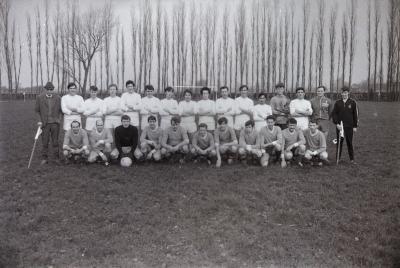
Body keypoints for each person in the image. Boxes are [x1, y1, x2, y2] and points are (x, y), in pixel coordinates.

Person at [35, 81, 62, 165]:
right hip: (45, 123)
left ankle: (56, 158)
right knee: (45, 141)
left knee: (55, 141)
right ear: (45, 89)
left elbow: (61, 111)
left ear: (53, 90)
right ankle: (44, 158)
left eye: (51, 89)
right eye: (48, 89)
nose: (49, 91)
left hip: (55, 123)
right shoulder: (39, 97)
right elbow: (37, 111)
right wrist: (39, 120)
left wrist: (59, 120)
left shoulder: (58, 98)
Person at [331, 86, 359, 163]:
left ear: (348, 93)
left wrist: (355, 126)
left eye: (345, 93)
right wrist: (337, 124)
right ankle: (338, 158)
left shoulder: (353, 102)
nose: (344, 94)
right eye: (343, 93)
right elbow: (334, 114)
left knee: (350, 143)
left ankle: (352, 159)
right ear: (341, 93)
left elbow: (355, 115)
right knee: (339, 142)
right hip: (340, 127)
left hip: (349, 126)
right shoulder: (337, 103)